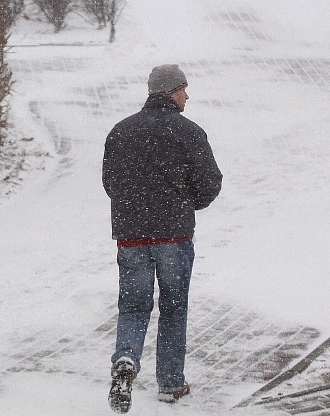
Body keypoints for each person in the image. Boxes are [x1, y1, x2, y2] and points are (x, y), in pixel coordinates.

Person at [102, 64, 222, 411]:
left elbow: (110, 183)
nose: (188, 95)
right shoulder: (188, 132)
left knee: (133, 306)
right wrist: (187, 204)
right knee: (173, 307)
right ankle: (170, 383)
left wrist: (132, 210)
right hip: (174, 234)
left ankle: (125, 360)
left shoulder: (121, 131)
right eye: (184, 88)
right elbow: (210, 181)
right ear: (171, 91)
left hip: (131, 235)